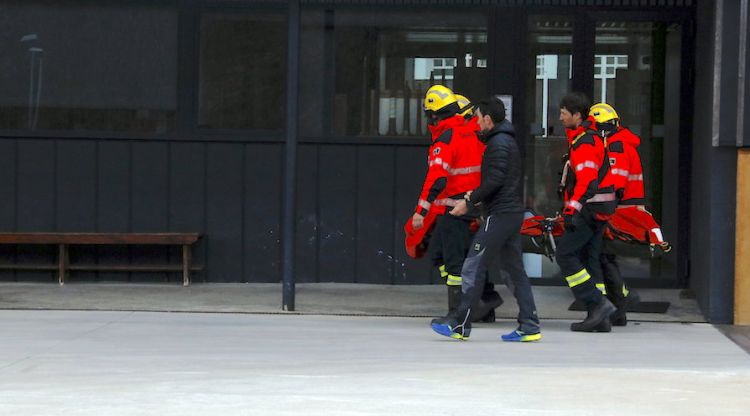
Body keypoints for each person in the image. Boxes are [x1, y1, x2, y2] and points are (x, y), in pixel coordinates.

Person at [430, 96, 541, 342]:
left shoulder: (498, 143)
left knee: (473, 266)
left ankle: (459, 324)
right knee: (514, 271)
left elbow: (494, 180)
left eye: (478, 118)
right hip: (510, 214)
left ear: (488, 120)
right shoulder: (504, 140)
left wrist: (469, 201)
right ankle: (530, 325)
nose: (476, 123)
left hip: (500, 215)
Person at [413, 85, 497, 318]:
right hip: (474, 206)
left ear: (434, 114)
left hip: (455, 210)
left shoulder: (446, 138)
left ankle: (459, 314)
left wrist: (421, 210)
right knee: (465, 258)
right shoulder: (472, 133)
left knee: (453, 265)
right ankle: (484, 304)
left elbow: (436, 178)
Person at [556, 92, 618, 332]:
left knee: (565, 254)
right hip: (599, 209)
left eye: (563, 113)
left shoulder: (585, 142)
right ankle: (598, 316)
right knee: (589, 259)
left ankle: (597, 303)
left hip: (590, 210)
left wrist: (572, 209)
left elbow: (587, 181)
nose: (560, 117)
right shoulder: (585, 139)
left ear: (577, 115)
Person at [589, 103, 643, 326]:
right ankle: (619, 307)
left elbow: (615, 184)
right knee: (605, 257)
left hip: (619, 211)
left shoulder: (616, 146)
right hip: (624, 209)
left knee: (604, 257)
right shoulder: (620, 143)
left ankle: (621, 302)